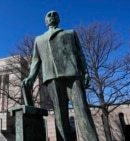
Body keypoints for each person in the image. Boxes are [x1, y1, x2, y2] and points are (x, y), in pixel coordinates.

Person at [22, 11, 99, 141]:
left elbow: (80, 54)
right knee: (60, 114)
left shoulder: (70, 33)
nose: (52, 16)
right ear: (45, 21)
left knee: (82, 111)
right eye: (49, 15)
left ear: (59, 19)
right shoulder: (39, 39)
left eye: (54, 14)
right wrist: (31, 76)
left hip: (72, 75)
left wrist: (85, 72)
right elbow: (36, 61)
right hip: (52, 77)